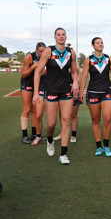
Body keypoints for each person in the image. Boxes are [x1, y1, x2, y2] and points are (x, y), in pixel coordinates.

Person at [33, 28, 79, 164]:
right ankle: (50, 139)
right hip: (51, 90)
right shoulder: (49, 51)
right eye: (58, 35)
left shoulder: (71, 52)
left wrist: (75, 82)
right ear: (54, 37)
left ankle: (63, 154)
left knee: (66, 121)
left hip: (66, 91)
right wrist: (36, 93)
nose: (61, 37)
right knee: (51, 124)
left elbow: (74, 71)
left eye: (63, 34)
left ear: (66, 37)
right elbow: (38, 72)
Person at [79, 37, 111, 157]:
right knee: (96, 120)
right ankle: (99, 146)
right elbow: (83, 77)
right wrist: (80, 92)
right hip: (93, 92)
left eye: (101, 42)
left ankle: (107, 145)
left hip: (107, 91)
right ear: (93, 46)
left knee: (108, 119)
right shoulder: (88, 59)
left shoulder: (109, 59)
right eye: (97, 43)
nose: (100, 44)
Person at [20, 42, 46, 144]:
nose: (42, 53)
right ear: (36, 50)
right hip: (27, 83)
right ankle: (24, 135)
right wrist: (33, 67)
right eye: (40, 52)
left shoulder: (46, 57)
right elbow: (24, 74)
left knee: (36, 110)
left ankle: (35, 134)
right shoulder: (29, 57)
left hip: (39, 84)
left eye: (44, 51)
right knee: (27, 109)